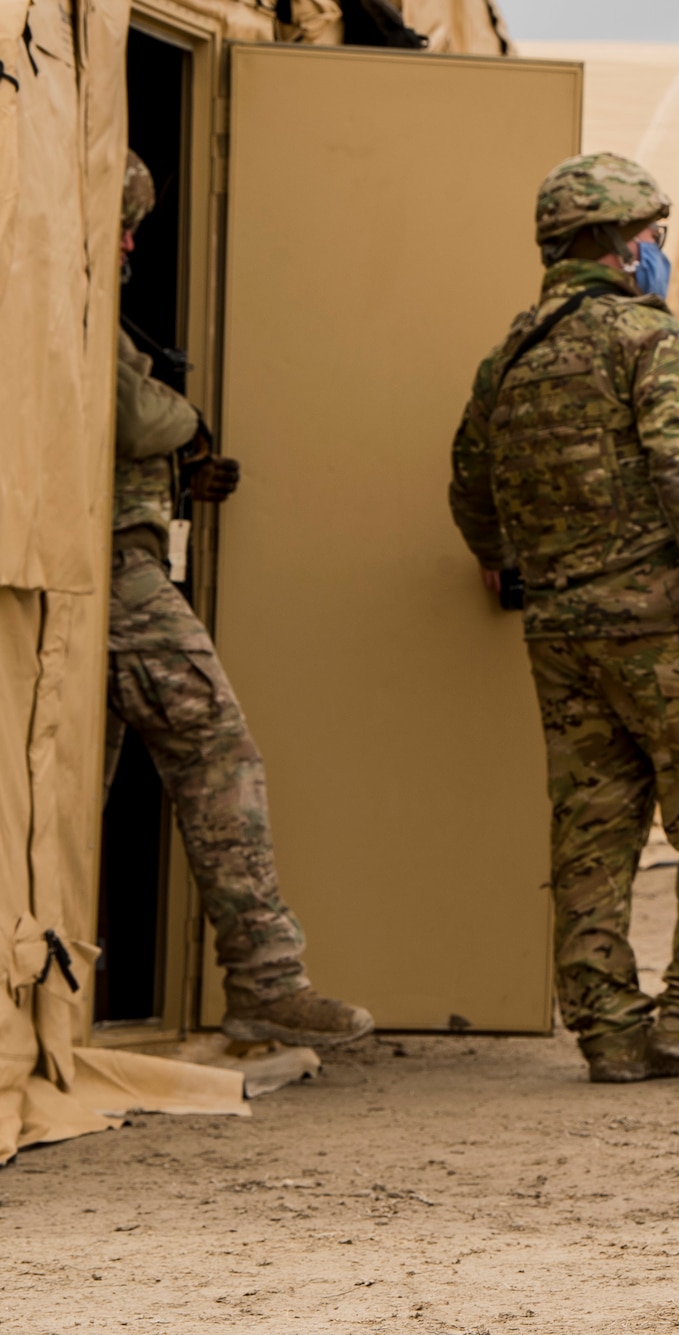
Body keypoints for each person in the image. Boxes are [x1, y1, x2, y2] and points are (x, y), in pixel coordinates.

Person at [447, 152, 679, 1083]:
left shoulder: (511, 356)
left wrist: (505, 562)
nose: (656, 255)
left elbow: (467, 482)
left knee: (593, 827)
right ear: (614, 245)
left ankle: (610, 1031)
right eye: (649, 239)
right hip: (664, 623)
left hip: (563, 632)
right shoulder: (648, 338)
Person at [109, 151, 372, 1047]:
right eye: (122, 221)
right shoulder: (54, 297)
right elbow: (131, 416)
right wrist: (181, 419)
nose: (131, 241)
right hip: (115, 579)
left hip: (100, 573)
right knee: (220, 754)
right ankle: (267, 979)